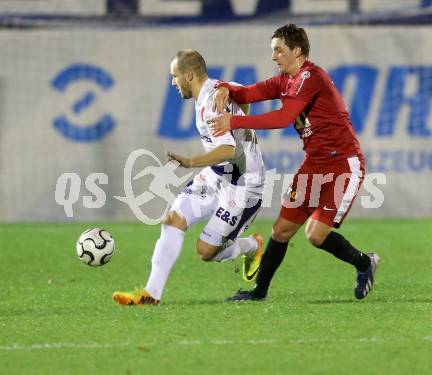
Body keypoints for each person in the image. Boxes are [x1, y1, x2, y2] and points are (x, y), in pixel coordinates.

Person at [211, 24, 379, 301]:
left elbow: (282, 118)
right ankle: (259, 292)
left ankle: (364, 262)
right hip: (313, 165)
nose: (274, 56)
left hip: (343, 165)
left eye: (279, 50)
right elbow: (247, 93)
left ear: (297, 51)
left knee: (315, 235)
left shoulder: (310, 76)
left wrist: (234, 120)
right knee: (281, 230)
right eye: (273, 51)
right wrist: (224, 88)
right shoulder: (284, 81)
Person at [113, 50, 266, 305]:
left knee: (205, 252)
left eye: (175, 76)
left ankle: (253, 245)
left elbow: (227, 150)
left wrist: (190, 162)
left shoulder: (209, 105)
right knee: (173, 220)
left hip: (244, 186)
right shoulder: (219, 88)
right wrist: (243, 122)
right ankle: (151, 294)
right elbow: (242, 92)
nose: (173, 82)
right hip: (217, 175)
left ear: (189, 75)